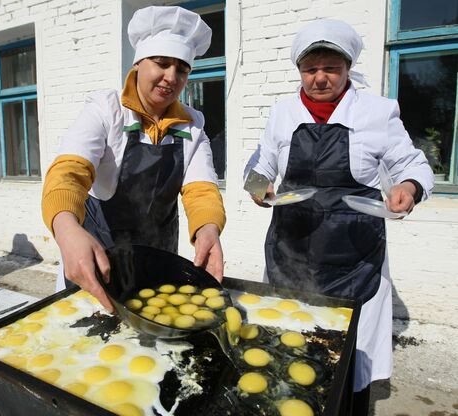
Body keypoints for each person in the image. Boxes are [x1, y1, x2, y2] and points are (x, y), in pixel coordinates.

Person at [244, 19, 434, 415]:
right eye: (310, 69)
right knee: (289, 344)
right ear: (300, 71)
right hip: (291, 249)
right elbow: (260, 164)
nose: (320, 78)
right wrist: (258, 186)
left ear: (347, 69)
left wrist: (409, 188)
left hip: (355, 256)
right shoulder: (281, 112)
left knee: (349, 354)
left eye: (330, 68)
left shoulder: (378, 112)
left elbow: (412, 163)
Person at [42, 6, 226, 311]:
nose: (171, 77)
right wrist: (65, 227)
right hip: (98, 263)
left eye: (182, 69)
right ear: (139, 63)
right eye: (162, 63)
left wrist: (208, 229)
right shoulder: (107, 110)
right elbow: (69, 172)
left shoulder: (192, 126)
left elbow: (201, 189)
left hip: (156, 270)